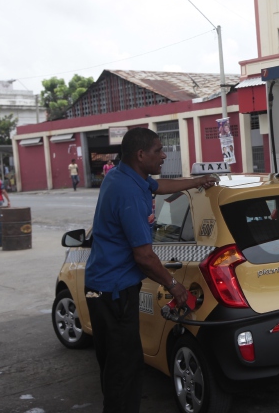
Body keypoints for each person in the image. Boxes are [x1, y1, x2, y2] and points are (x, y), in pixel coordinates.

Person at [84, 127, 215, 412]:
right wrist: (174, 285)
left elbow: (160, 187)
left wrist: (197, 182)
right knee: (125, 370)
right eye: (158, 150)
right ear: (141, 154)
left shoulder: (124, 175)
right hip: (113, 292)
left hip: (102, 287)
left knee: (115, 366)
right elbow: (144, 256)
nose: (164, 155)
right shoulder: (128, 192)